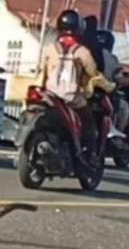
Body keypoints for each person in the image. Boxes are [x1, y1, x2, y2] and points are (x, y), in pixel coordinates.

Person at [40, 10, 115, 157]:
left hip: (49, 95)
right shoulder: (82, 52)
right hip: (71, 98)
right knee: (89, 122)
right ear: (79, 28)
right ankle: (88, 152)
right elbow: (94, 74)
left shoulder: (49, 49)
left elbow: (42, 72)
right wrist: (109, 86)